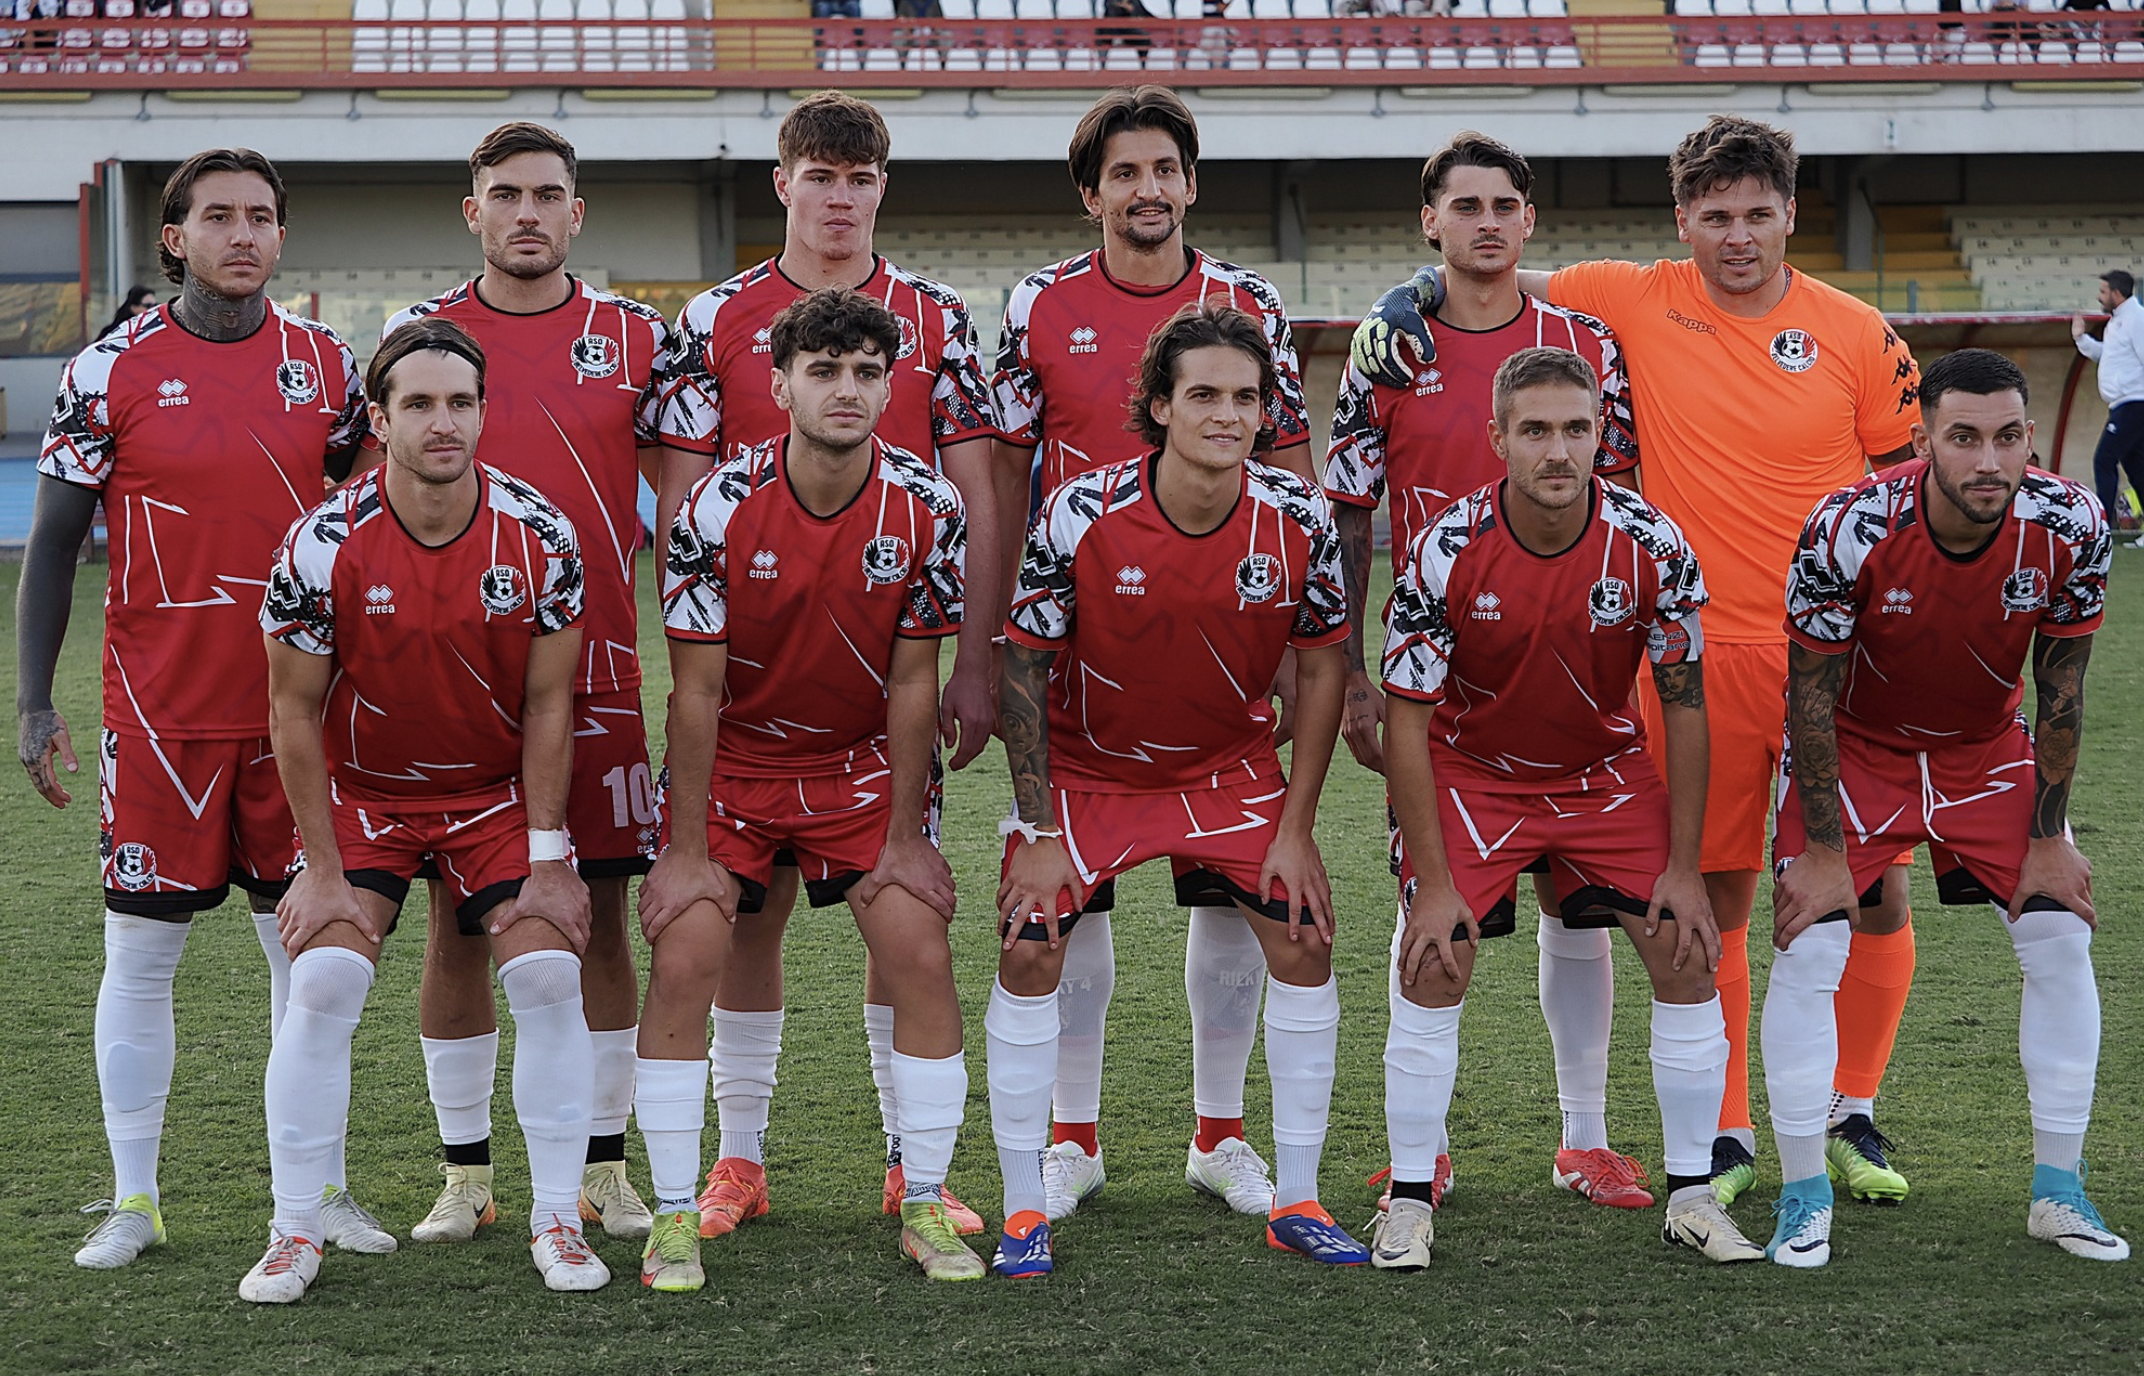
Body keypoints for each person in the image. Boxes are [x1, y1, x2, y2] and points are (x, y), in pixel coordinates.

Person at [1351, 115, 1925, 1209]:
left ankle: (1849, 1107)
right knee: (1713, 892)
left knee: (1873, 889)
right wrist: (1404, 298)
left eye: (1757, 214)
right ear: (1682, 220)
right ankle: (1727, 1131)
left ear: (1789, 215)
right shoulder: (1629, 294)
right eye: (1715, 215)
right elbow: (1491, 270)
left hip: (1833, 656)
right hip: (1697, 654)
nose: (1737, 236)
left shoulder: (1857, 332)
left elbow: (1906, 494)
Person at [19, 148, 385, 1271]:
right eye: (219, 216)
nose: (243, 234)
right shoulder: (107, 368)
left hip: (298, 719)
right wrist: (33, 701)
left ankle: (319, 1191)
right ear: (174, 238)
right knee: (140, 958)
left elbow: (369, 530)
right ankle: (135, 1199)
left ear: (281, 237)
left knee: (309, 962)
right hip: (158, 716)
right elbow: (53, 543)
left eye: (262, 217)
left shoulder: (329, 365)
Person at [652, 90, 997, 1239]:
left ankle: (911, 1161)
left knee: (897, 920)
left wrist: (975, 655)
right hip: (751, 673)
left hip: (882, 658)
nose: (839, 196)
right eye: (820, 175)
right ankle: (736, 1160)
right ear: (783, 183)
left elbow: (973, 480)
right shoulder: (714, 315)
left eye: (859, 177)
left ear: (881, 188)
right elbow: (683, 490)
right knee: (741, 925)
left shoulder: (936, 315)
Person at [990, 85, 1313, 1222]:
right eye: (1124, 172)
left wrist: (1291, 640)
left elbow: (1290, 465)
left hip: (1224, 641)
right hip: (1083, 645)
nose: (1148, 189)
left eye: (1165, 169)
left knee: (1230, 891)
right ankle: (1071, 1140)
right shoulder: (1036, 303)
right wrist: (996, 642)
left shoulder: (1249, 300)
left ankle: (1219, 1136)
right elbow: (1004, 472)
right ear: (1092, 194)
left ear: (1191, 183)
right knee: (1069, 904)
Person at [988, 301, 1360, 1278]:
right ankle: (1029, 1199)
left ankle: (1288, 1190)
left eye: (1245, 398)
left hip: (1226, 769)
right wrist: (1035, 828)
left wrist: (1296, 828)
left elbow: (1322, 664)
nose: (1227, 415)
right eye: (1203, 395)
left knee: (1303, 932)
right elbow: (1022, 666)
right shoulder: (1079, 510)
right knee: (1030, 942)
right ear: (1158, 406)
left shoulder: (1299, 516)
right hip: (1091, 769)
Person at [1373, 346, 1760, 1272]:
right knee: (1435, 958)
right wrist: (1432, 883)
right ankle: (1410, 1199)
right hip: (1475, 772)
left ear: (1600, 435)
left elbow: (1685, 705)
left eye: (1577, 429)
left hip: (1603, 773)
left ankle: (1693, 1198)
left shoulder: (1652, 542)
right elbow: (1407, 722)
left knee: (1687, 947)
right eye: (1536, 430)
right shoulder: (1445, 547)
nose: (1558, 450)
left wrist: (1683, 867)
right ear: (1497, 437)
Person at [247, 317, 602, 1302]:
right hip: (368, 798)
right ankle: (293, 1229)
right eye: (418, 403)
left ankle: (558, 1218)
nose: (442, 422)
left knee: (548, 977)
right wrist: (322, 871)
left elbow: (548, 704)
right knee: (321, 983)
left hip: (493, 800)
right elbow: (291, 709)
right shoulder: (321, 543)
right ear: (378, 418)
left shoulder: (542, 534)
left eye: (460, 402)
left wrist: (547, 855)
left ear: (484, 411)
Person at [1326, 132, 1645, 1213]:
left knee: (1580, 904)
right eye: (1464, 206)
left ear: (1529, 219)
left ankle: (1585, 1139)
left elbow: (1624, 500)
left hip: (1577, 668)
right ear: (1430, 222)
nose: (1487, 223)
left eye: (1504, 205)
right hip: (1440, 683)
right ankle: (1422, 1148)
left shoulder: (1585, 342)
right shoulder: (1387, 349)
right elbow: (1349, 513)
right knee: (1430, 898)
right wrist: (1353, 674)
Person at [1762, 348, 2126, 1267]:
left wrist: (2049, 836)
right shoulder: (1849, 524)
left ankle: (2059, 1191)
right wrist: (1825, 852)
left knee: (2062, 933)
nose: (1988, 461)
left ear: (2030, 438)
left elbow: (2063, 688)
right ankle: (1803, 1195)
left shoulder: (2072, 522)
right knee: (1813, 943)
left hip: (1985, 751)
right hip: (1857, 748)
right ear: (1923, 441)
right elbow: (1809, 694)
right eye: (1963, 438)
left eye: (2007, 438)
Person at [383, 122, 668, 1249]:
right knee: (456, 928)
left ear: (576, 213)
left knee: (597, 920)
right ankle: (466, 1174)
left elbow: (686, 506)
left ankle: (603, 1164)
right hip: (451, 681)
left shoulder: (636, 338)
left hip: (596, 678)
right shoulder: (422, 337)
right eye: (506, 194)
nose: (528, 213)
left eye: (548, 194)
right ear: (474, 212)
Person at [2071, 268, 2144, 547]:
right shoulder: (2117, 322)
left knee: (2104, 458)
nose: (2099, 297)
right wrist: (2081, 339)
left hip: (2134, 403)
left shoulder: (2136, 319)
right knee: (2135, 466)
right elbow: (2108, 355)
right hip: (2122, 404)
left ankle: (2102, 528)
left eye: (2103, 291)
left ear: (2116, 293)